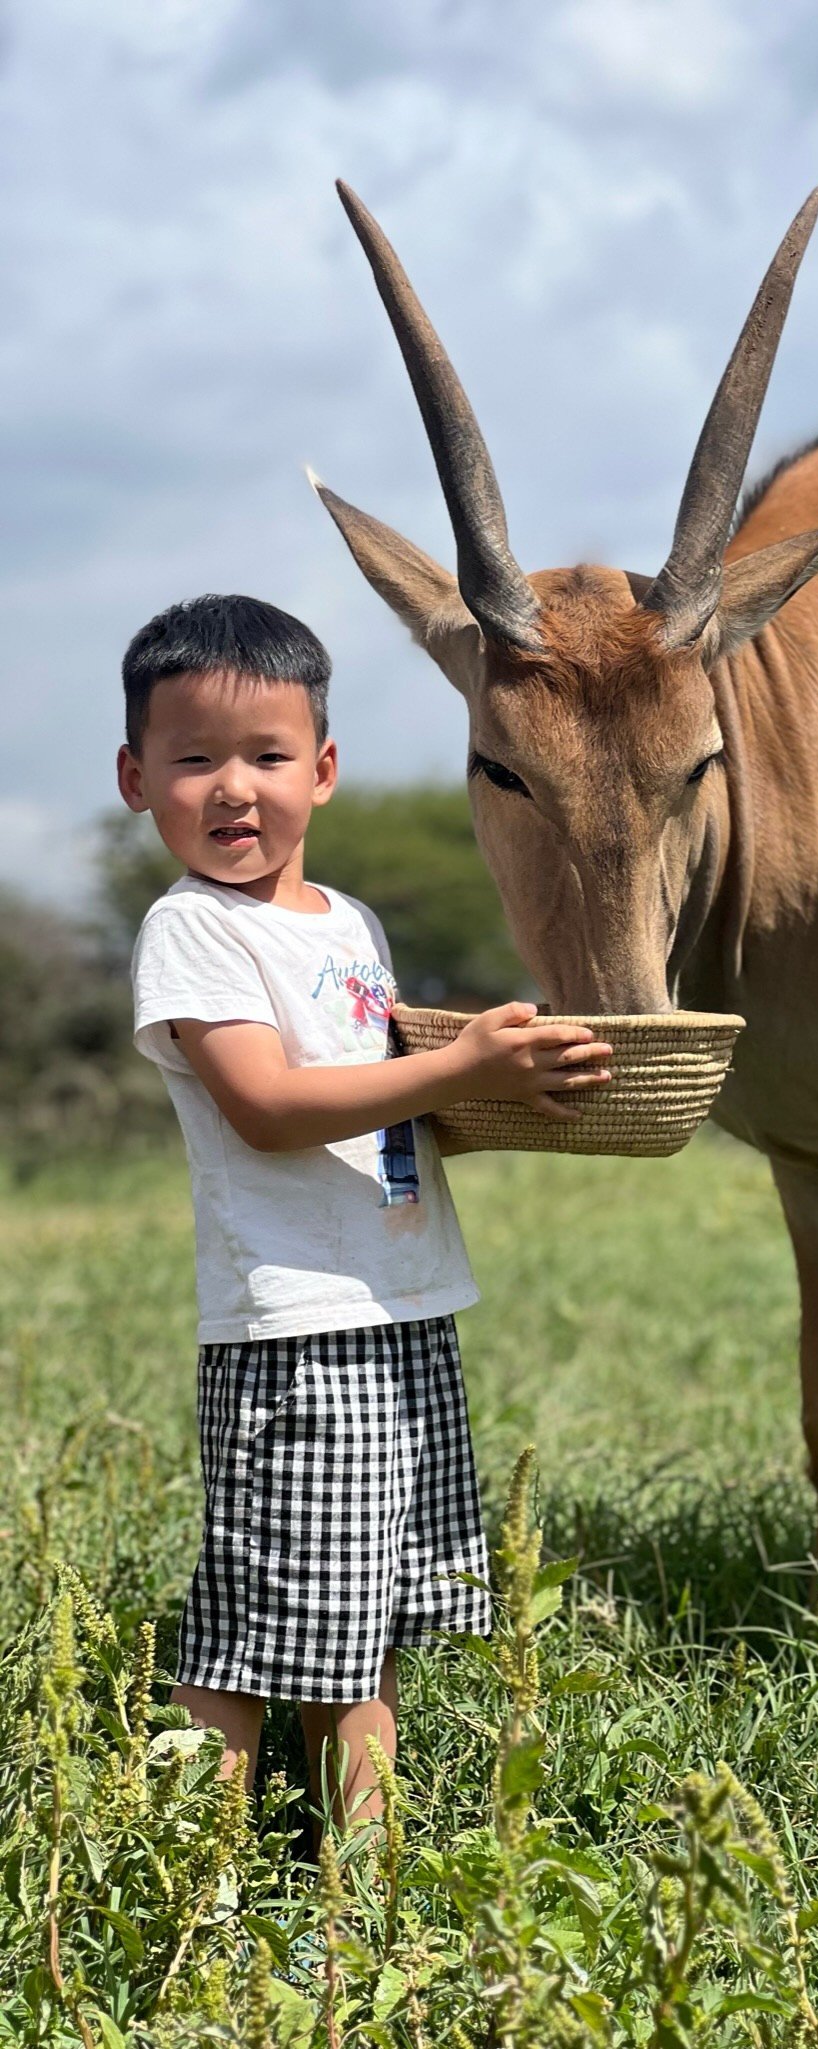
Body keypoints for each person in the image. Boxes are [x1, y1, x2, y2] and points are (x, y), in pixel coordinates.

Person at [117, 592, 611, 1824]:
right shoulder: (192, 932)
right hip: (297, 1327)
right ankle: (190, 1872)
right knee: (257, 1627)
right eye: (194, 760)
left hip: (398, 1304)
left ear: (323, 771)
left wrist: (496, 1089)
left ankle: (368, 1881)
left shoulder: (351, 926)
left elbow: (382, 1100)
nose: (234, 789)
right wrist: (457, 1069)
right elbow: (271, 1106)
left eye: (268, 757)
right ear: (136, 778)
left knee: (364, 1625)